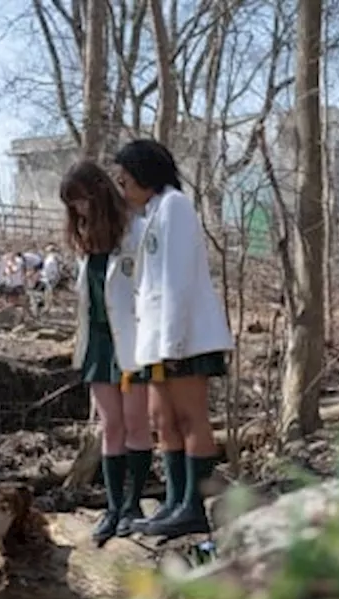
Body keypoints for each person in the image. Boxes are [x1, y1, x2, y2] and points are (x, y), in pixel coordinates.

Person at [113, 139, 234, 540]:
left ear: (146, 176)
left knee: (189, 418)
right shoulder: (148, 215)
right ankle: (174, 500)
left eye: (126, 180)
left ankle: (194, 505)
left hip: (184, 337)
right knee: (162, 420)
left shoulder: (175, 207)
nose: (123, 188)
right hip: (157, 340)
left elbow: (177, 279)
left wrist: (173, 342)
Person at [61, 160, 153, 546]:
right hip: (99, 343)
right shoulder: (84, 242)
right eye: (72, 206)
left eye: (82, 201)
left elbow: (150, 291)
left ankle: (133, 505)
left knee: (135, 424)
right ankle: (113, 508)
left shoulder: (135, 230)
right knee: (110, 426)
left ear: (98, 193)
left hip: (132, 341)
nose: (79, 211)